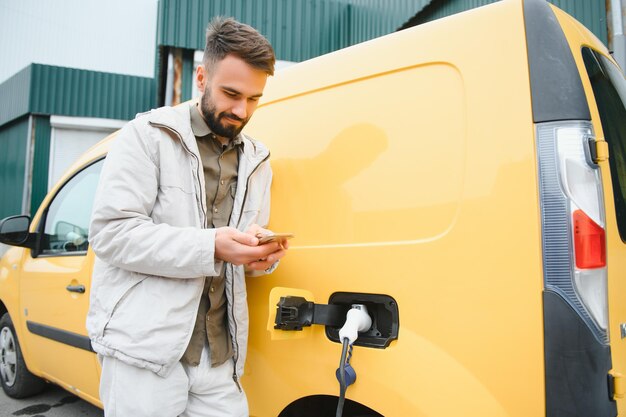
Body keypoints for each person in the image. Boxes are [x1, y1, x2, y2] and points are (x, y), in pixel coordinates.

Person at [86, 17, 287, 417]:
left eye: (253, 98)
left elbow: (236, 252)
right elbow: (111, 234)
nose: (241, 109)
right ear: (200, 76)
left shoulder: (258, 160)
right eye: (231, 93)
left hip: (219, 356)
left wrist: (257, 257)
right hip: (143, 353)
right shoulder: (146, 136)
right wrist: (211, 245)